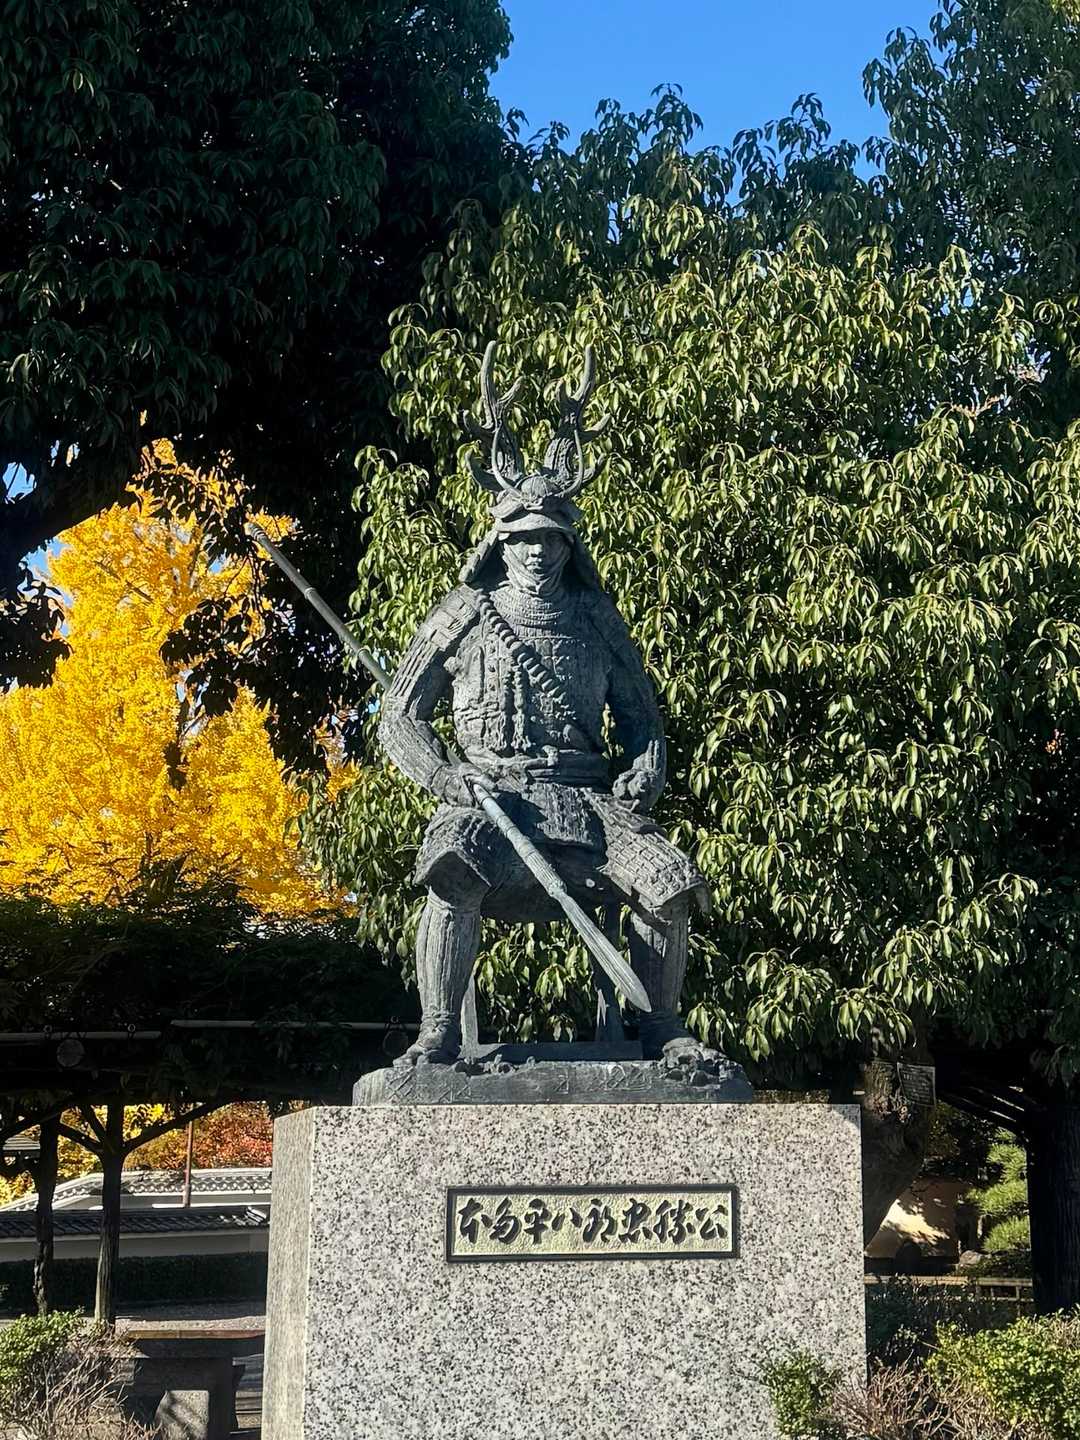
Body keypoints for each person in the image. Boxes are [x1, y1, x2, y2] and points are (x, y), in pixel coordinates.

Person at [378, 345, 715, 1068]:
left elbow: (642, 721)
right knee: (451, 864)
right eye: (524, 538)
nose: (536, 551)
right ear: (502, 542)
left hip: (590, 803)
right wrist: (444, 777)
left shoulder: (598, 619)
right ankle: (436, 1033)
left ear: (568, 545)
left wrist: (645, 769)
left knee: (669, 883)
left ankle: (663, 1029)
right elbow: (400, 716)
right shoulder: (462, 614)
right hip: (491, 796)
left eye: (549, 539)